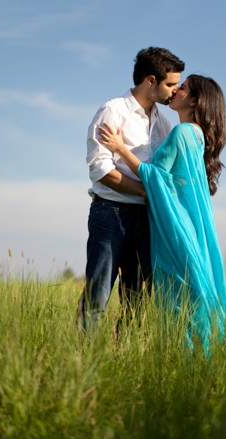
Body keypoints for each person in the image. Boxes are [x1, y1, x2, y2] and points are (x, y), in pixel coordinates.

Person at [98, 74, 226, 353]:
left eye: (182, 88)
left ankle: (189, 356)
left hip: (175, 226)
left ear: (194, 100)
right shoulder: (197, 135)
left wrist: (120, 148)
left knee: (178, 292)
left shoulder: (182, 132)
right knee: (191, 289)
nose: (175, 90)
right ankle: (197, 356)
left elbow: (157, 178)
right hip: (188, 223)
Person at [78, 47, 185, 329]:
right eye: (171, 84)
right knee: (97, 297)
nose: (175, 90)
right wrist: (145, 190)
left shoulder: (164, 122)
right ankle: (86, 365)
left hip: (149, 220)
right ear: (151, 81)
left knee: (137, 302)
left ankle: (126, 361)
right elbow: (100, 169)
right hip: (111, 215)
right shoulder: (113, 110)